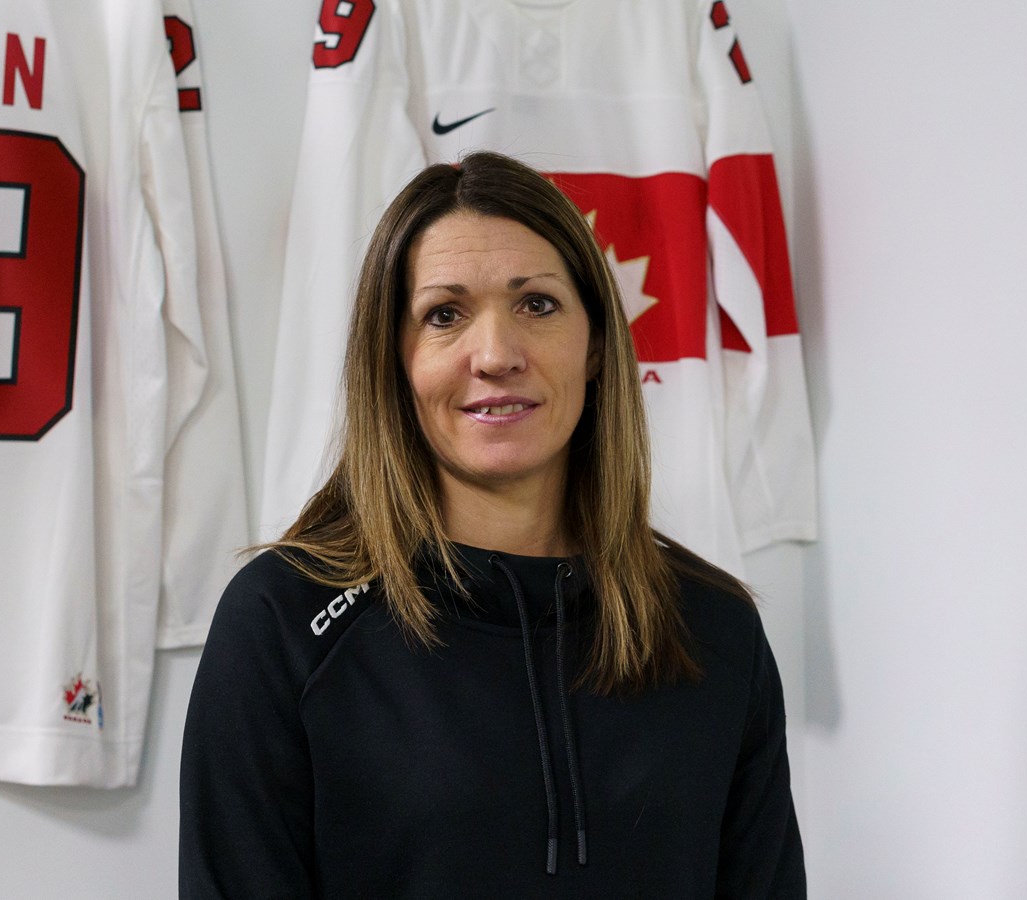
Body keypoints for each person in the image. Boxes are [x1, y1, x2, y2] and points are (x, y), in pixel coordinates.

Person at [179, 151, 804, 897]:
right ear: (394, 362)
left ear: (597, 343)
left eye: (535, 305)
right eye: (444, 315)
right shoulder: (283, 621)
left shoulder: (715, 628)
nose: (497, 355)